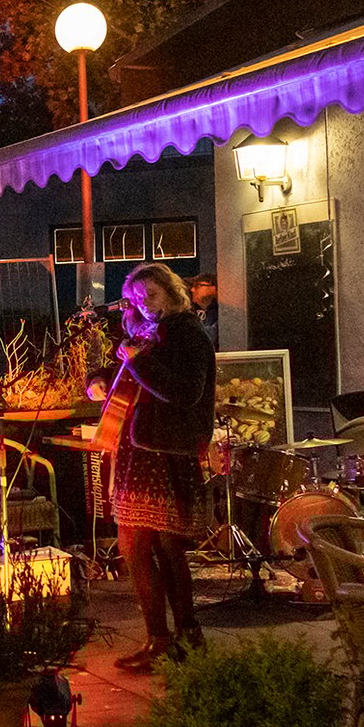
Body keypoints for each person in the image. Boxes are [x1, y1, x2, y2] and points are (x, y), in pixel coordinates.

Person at [88, 263, 215, 671]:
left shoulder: (187, 333)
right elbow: (123, 372)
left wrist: (138, 362)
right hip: (139, 451)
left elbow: (185, 392)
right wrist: (98, 380)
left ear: (172, 292)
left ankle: (180, 636)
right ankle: (167, 638)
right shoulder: (146, 334)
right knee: (139, 546)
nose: (144, 304)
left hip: (165, 453)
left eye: (152, 295)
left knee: (161, 547)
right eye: (137, 299)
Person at [188, 273, 222, 347]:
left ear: (214, 287)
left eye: (197, 286)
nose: (192, 289)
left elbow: (209, 337)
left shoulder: (221, 312)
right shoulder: (189, 310)